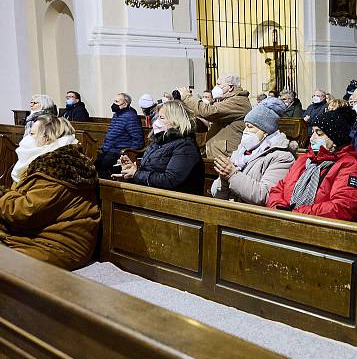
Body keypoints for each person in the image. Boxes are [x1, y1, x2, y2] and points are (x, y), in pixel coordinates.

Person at [2, 115, 100, 270]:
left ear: (46, 138)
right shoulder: (48, 162)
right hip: (37, 234)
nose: (26, 138)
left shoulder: (60, 168)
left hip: (59, 245)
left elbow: (24, 212)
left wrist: (2, 195)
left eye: (32, 134)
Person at [267, 107, 357, 221]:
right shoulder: (304, 160)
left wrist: (296, 214)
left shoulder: (349, 166)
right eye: (313, 132)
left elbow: (344, 207)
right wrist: (278, 208)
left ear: (335, 140)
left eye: (319, 134)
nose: (312, 138)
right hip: (286, 220)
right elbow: (279, 188)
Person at [211, 98, 295, 205]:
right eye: (245, 127)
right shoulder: (241, 151)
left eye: (250, 127)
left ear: (265, 131)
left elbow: (265, 195)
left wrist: (232, 175)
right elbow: (216, 194)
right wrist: (223, 179)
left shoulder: (282, 156)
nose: (245, 131)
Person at [113, 101, 205, 194]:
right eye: (157, 117)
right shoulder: (159, 141)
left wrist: (137, 174)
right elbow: (152, 168)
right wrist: (133, 169)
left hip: (176, 200)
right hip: (153, 194)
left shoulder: (185, 146)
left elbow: (170, 180)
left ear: (176, 120)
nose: (156, 122)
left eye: (161, 118)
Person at [178, 74, 252, 159]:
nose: (216, 87)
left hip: (227, 157)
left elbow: (208, 112)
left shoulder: (238, 101)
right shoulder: (225, 101)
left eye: (219, 84)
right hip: (218, 154)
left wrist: (187, 97)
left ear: (230, 87)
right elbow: (210, 124)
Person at [95, 93, 144, 178]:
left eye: (117, 101)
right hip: (110, 149)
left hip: (119, 151)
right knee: (95, 165)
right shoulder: (117, 115)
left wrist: (128, 154)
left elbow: (138, 139)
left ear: (125, 104)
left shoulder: (131, 117)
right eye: (114, 101)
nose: (114, 103)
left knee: (103, 168)